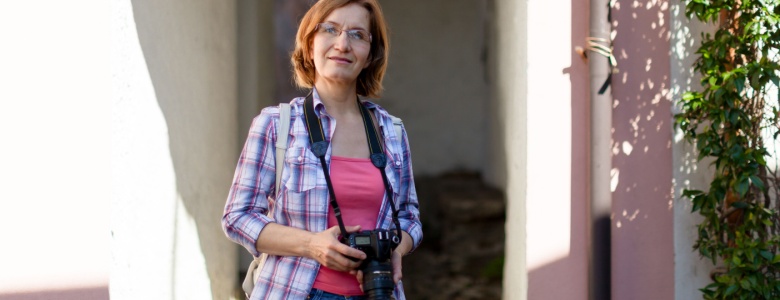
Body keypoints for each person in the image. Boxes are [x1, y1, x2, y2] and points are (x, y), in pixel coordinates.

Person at [221, 0, 422, 299]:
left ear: (370, 55)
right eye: (330, 29)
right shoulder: (276, 125)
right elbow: (237, 216)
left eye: (357, 34)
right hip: (295, 291)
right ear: (310, 42)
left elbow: (409, 217)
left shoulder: (390, 131)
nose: (342, 44)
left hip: (378, 292)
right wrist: (311, 245)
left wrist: (398, 245)